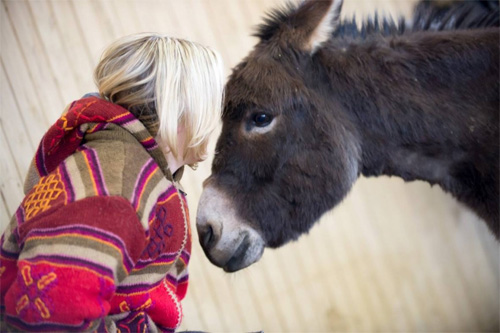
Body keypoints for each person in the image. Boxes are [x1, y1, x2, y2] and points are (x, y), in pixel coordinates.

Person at [0, 33, 224, 331]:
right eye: (214, 107)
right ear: (183, 112)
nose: (217, 123)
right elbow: (52, 315)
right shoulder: (118, 186)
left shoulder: (143, 174)